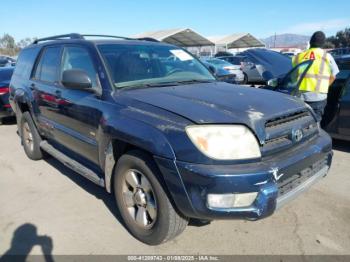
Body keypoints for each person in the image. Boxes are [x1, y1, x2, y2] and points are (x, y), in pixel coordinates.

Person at [292, 31, 339, 122]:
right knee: (315, 124)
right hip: (318, 97)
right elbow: (333, 76)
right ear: (323, 43)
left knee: (301, 123)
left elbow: (293, 77)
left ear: (310, 42)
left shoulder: (298, 57)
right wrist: (324, 86)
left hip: (300, 97)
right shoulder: (327, 56)